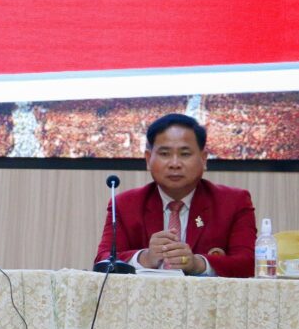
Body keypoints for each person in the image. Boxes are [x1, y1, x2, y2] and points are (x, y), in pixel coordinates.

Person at [94, 113, 256, 277]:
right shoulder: (125, 204)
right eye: (165, 154)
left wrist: (198, 264)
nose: (175, 164)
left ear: (203, 159)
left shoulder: (234, 202)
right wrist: (144, 258)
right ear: (148, 159)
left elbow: (248, 263)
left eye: (185, 154)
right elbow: (103, 260)